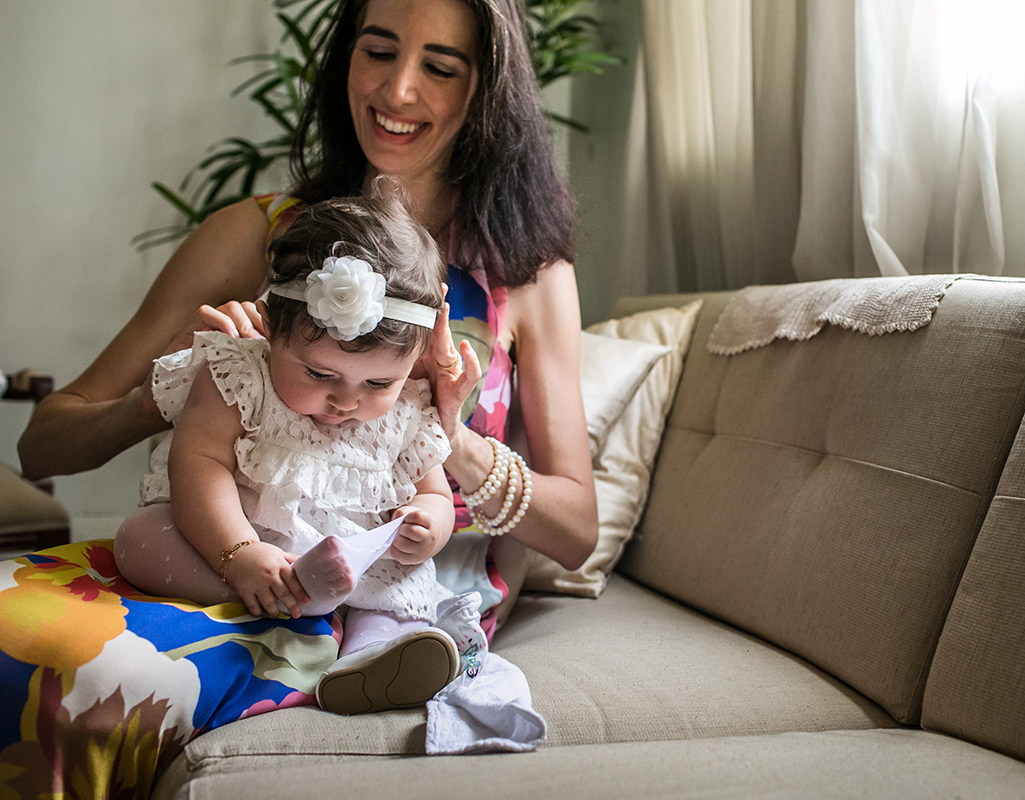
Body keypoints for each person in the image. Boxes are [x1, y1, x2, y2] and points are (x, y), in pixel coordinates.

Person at [4, 0, 596, 792]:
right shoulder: (256, 234)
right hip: (220, 559)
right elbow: (42, 443)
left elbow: (576, 530)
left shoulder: (527, 275)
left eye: (441, 68)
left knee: (89, 681)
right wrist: (177, 388)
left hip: (384, 610)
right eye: (377, 51)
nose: (398, 90)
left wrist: (442, 432)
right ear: (344, 58)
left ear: (487, 92)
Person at [115, 192, 479, 714]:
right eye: (318, 373)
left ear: (415, 360)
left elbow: (434, 494)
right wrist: (240, 553)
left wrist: (428, 525)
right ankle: (296, 600)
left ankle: (373, 658)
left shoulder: (409, 410)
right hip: (229, 542)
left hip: (350, 564)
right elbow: (198, 464)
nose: (347, 400)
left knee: (401, 592)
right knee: (139, 539)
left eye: (378, 381)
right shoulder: (241, 375)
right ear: (271, 326)